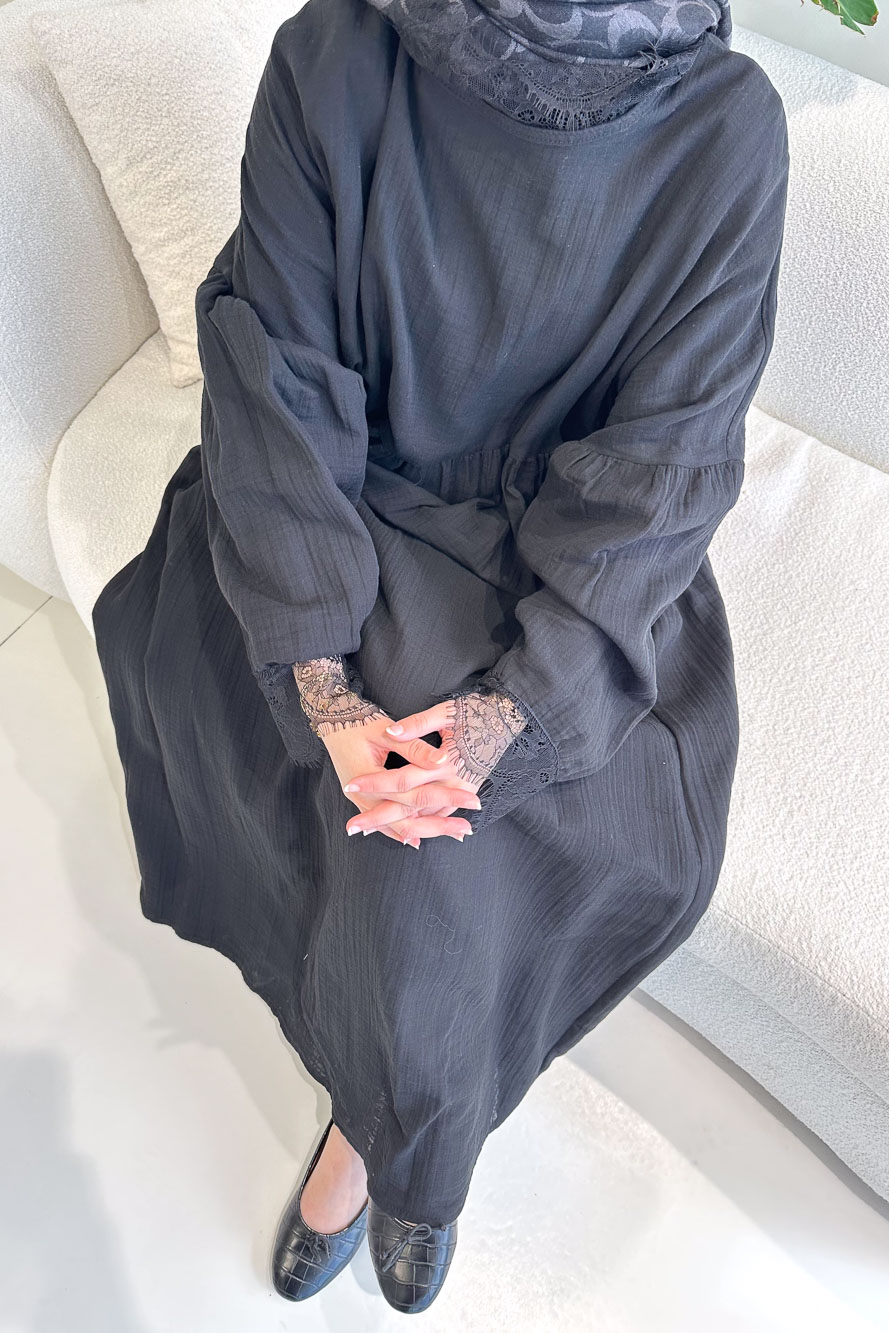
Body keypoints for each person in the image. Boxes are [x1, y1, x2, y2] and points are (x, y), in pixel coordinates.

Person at [91, 0, 789, 1314]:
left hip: (563, 575)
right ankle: (388, 1129)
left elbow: (663, 468)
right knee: (296, 777)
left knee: (438, 882)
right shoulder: (334, 53)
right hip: (329, 519)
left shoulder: (724, 131)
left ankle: (395, 1155)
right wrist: (321, 675)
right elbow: (276, 380)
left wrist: (512, 715)